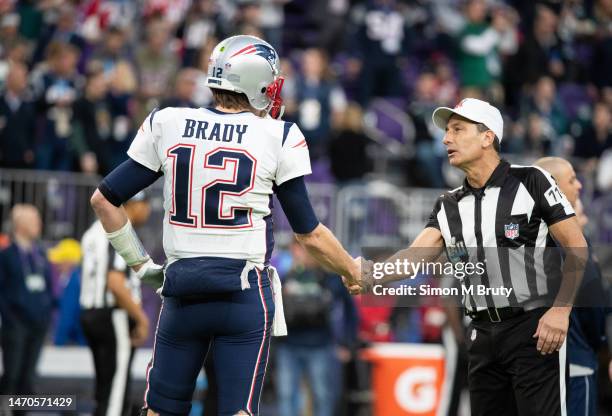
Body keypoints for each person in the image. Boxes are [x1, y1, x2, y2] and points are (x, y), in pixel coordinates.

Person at [89, 35, 361, 416]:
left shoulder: (168, 121)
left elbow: (104, 200)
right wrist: (352, 269)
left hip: (182, 289)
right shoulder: (279, 135)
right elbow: (309, 233)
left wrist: (141, 266)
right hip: (244, 294)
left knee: (159, 410)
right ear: (255, 83)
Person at [351, 98, 588, 415]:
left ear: (487, 137)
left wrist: (560, 312)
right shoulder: (448, 203)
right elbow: (415, 257)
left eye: (457, 129)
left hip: (532, 329)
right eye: (447, 131)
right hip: (480, 334)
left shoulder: (532, 180)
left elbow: (577, 248)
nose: (446, 138)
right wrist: (369, 275)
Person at [535, 157, 611, 416]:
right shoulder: (572, 248)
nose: (579, 185)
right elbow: (595, 306)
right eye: (571, 180)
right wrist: (601, 342)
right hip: (575, 362)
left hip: (538, 368)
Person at [80, 192, 151, 416]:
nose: (147, 210)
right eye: (145, 204)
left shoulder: (92, 231)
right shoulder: (120, 230)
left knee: (104, 388)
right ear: (133, 204)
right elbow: (116, 283)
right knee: (116, 393)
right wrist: (141, 318)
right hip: (114, 316)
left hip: (91, 312)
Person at [276, 240, 357, 416]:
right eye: (296, 248)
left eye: (304, 249)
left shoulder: (328, 276)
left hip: (319, 345)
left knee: (322, 396)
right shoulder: (285, 275)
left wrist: (347, 342)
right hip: (288, 346)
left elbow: (349, 307)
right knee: (286, 396)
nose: (300, 253)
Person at [0, 204, 55, 395]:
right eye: (34, 220)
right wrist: (10, 318)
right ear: (20, 224)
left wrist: (47, 314)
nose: (39, 223)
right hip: (15, 326)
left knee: (28, 378)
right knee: (12, 375)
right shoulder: (6, 256)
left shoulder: (40, 255)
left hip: (38, 325)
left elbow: (48, 287)